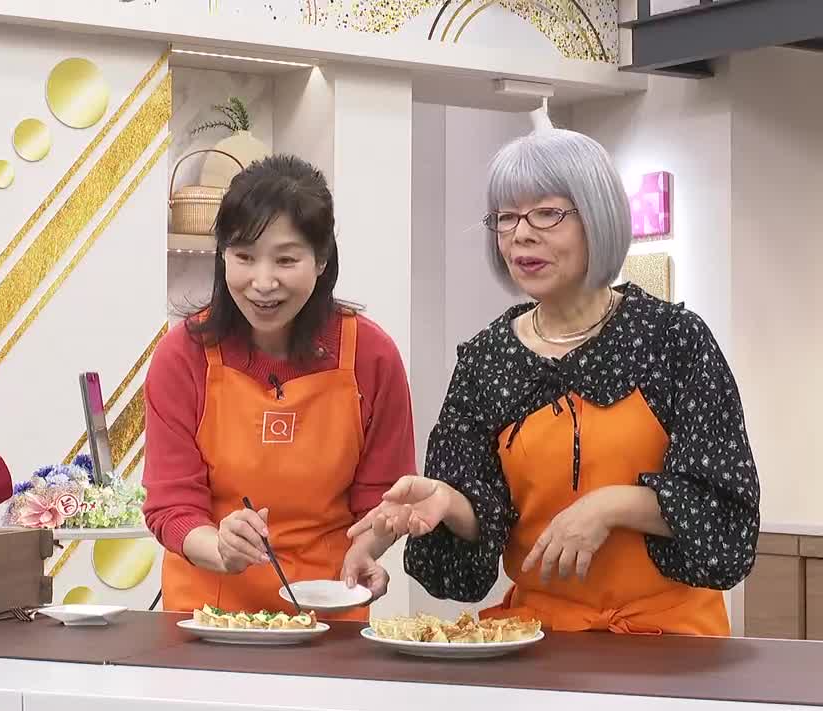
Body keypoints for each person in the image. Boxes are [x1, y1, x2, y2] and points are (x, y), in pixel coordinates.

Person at [349, 129, 760, 635]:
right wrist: (450, 505)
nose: (521, 234)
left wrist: (611, 506)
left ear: (598, 217)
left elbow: (726, 518)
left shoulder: (672, 340)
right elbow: (475, 538)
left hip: (675, 644)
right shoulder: (487, 358)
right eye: (506, 218)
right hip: (539, 643)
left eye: (547, 213)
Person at [142, 154, 417, 620]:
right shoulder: (182, 356)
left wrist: (368, 549)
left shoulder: (371, 355)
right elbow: (171, 505)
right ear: (222, 256)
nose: (262, 283)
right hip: (209, 618)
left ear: (322, 258)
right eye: (244, 257)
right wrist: (220, 547)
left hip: (328, 611)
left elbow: (382, 497)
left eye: (286, 259)